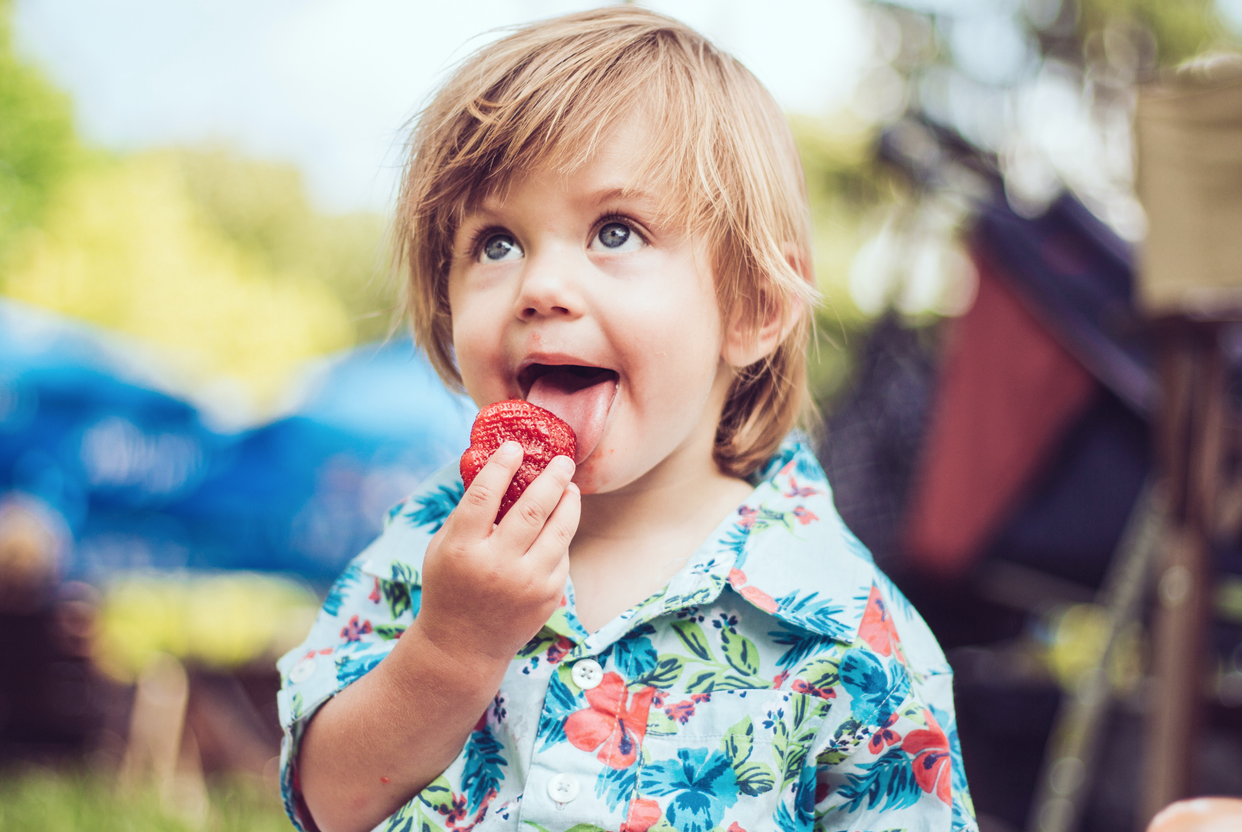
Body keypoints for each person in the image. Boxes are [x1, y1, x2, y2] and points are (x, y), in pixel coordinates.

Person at [276, 7, 977, 832]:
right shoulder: (429, 548)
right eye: (497, 243)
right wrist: (449, 650)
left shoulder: (853, 634)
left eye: (616, 231)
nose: (541, 287)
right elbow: (327, 800)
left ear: (754, 306)